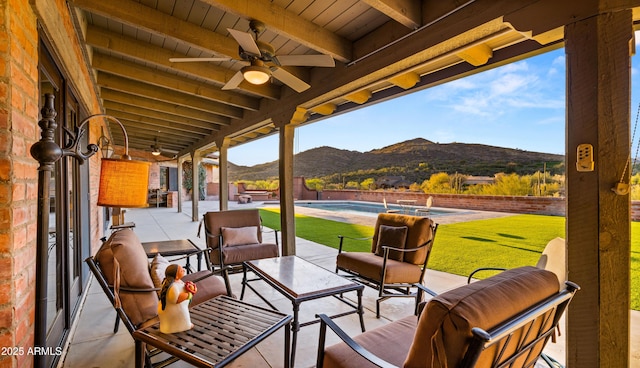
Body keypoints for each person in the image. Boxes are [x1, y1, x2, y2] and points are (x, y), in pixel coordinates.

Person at [157, 264, 195, 333]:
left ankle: (183, 326)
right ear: (176, 276)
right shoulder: (172, 287)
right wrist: (188, 295)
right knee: (183, 317)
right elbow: (176, 299)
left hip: (179, 308)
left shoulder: (178, 281)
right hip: (175, 310)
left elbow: (182, 288)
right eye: (181, 270)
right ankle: (185, 326)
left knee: (182, 316)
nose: (184, 270)